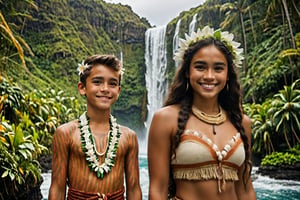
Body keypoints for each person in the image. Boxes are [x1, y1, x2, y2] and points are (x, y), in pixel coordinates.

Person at [148, 26, 257, 200]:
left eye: (218, 68)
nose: (209, 76)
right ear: (187, 71)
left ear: (228, 74)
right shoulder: (166, 119)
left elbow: (245, 189)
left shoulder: (242, 122)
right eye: (200, 67)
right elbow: (157, 190)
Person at [49, 54, 142, 200]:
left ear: (118, 90)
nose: (105, 89)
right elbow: (57, 187)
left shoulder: (128, 137)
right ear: (82, 88)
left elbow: (134, 188)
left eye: (112, 83)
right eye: (97, 82)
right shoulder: (66, 133)